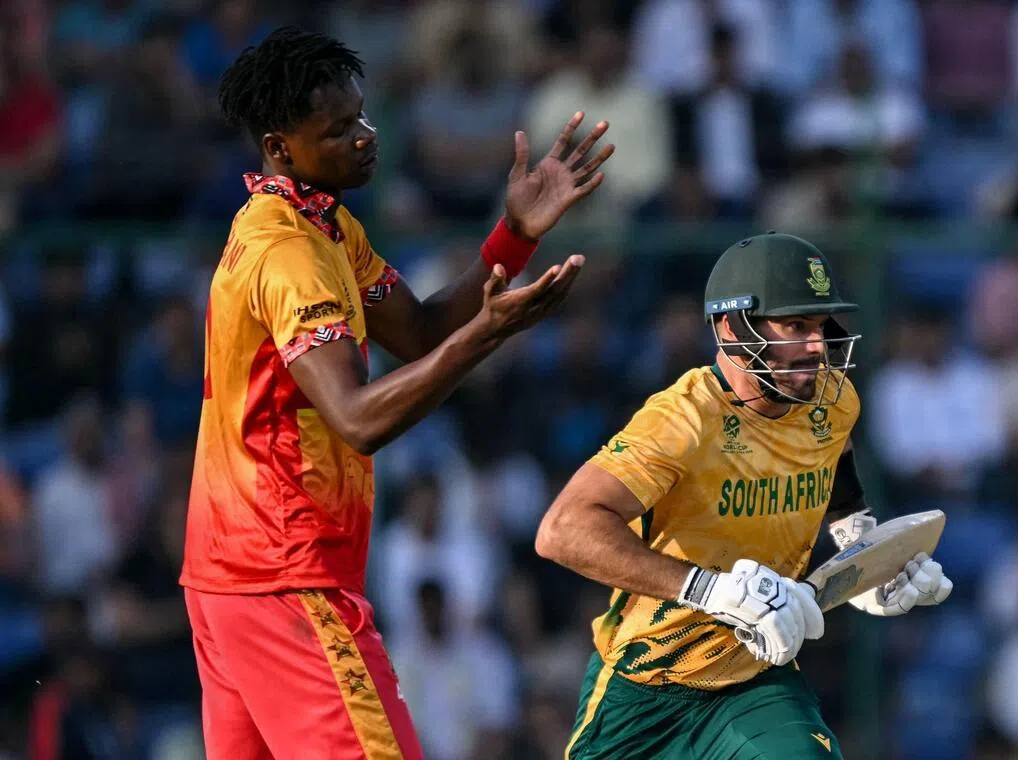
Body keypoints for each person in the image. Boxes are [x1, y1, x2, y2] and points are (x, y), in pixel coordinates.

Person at [179, 26, 613, 760]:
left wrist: (511, 236)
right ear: (281, 147)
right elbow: (357, 419)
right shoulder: (290, 255)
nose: (365, 138)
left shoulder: (321, 226)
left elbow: (416, 331)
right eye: (339, 129)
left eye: (363, 117)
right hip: (287, 578)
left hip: (231, 578)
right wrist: (488, 336)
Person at [536, 232, 953, 759]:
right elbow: (562, 531)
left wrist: (865, 567)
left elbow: (839, 483)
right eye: (796, 326)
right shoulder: (683, 419)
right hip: (645, 684)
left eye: (821, 326)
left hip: (755, 678)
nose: (817, 346)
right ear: (733, 327)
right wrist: (710, 591)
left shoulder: (832, 400)